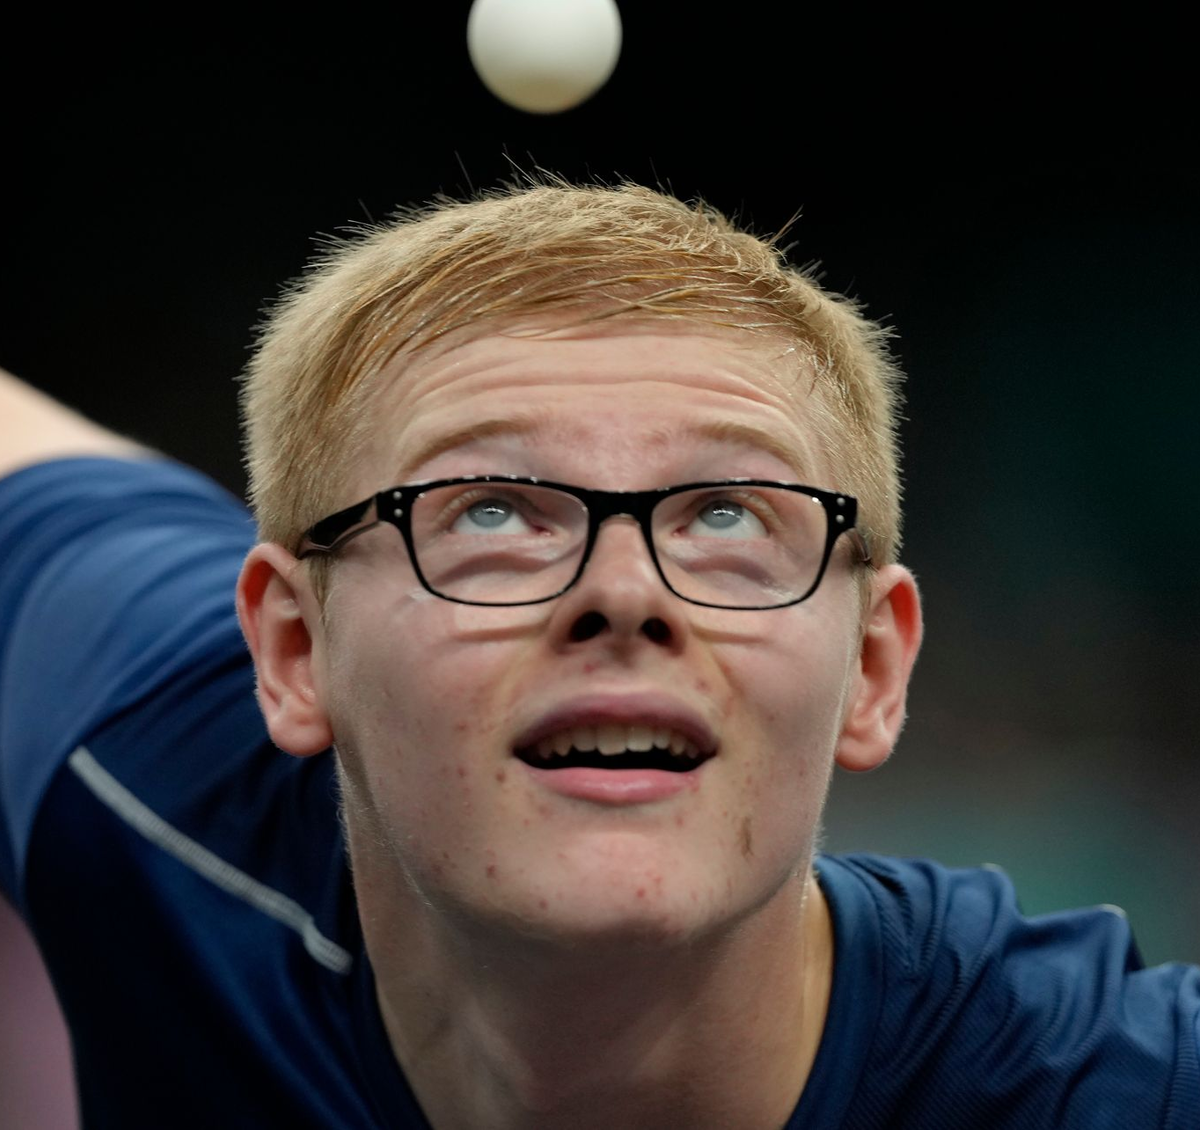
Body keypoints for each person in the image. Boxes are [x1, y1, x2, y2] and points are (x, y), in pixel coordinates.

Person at [0, 182, 1195, 1129]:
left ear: (875, 670)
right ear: (293, 648)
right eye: (489, 513)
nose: (621, 595)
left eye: (730, 515)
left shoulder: (1109, 1090)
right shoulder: (152, 775)